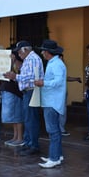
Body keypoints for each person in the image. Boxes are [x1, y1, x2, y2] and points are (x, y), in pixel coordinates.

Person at [4, 41, 44, 156]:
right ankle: (28, 143)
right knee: (28, 118)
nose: (18, 55)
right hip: (27, 92)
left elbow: (31, 76)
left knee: (31, 119)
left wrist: (15, 76)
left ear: (24, 50)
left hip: (31, 91)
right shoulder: (28, 59)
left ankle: (33, 145)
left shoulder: (32, 59)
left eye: (19, 52)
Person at [34, 40, 67, 168]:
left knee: (52, 131)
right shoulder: (54, 63)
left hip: (52, 101)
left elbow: (58, 81)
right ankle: (57, 155)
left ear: (48, 52)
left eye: (43, 51)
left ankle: (54, 158)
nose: (42, 53)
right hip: (51, 100)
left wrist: (44, 83)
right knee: (55, 130)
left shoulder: (56, 64)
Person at [2, 50, 24, 147]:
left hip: (16, 92)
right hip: (9, 90)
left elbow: (18, 74)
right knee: (13, 116)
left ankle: (20, 138)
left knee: (17, 116)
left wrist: (13, 62)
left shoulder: (19, 64)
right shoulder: (8, 64)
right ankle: (15, 137)